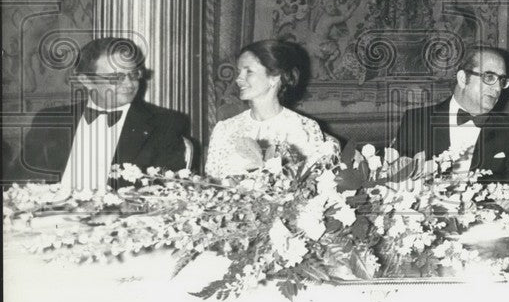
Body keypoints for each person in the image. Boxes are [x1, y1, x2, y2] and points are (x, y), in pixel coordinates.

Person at [23, 37, 189, 197]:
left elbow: (168, 191)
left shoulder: (165, 122)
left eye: (133, 74)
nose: (129, 84)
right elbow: (23, 179)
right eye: (116, 77)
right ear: (86, 80)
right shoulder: (50, 120)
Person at [391, 47, 509, 186]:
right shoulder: (416, 121)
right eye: (489, 77)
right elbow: (395, 179)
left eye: (502, 81)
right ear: (462, 78)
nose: (497, 88)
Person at [205, 40, 335, 178]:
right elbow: (211, 185)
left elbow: (314, 187)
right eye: (239, 72)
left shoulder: (303, 129)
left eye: (248, 71)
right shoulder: (225, 130)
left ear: (274, 78)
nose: (238, 79)